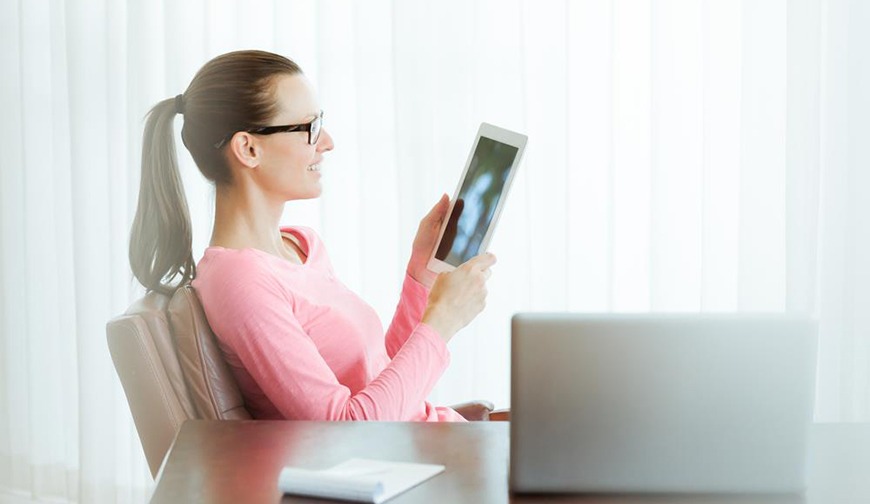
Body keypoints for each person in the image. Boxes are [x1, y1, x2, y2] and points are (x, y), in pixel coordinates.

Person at [129, 50, 496, 421]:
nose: (328, 142)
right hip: (417, 454)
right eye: (310, 128)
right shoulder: (240, 281)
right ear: (249, 148)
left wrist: (421, 275)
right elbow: (346, 428)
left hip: (435, 439)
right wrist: (442, 322)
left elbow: (381, 383)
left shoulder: (300, 246)